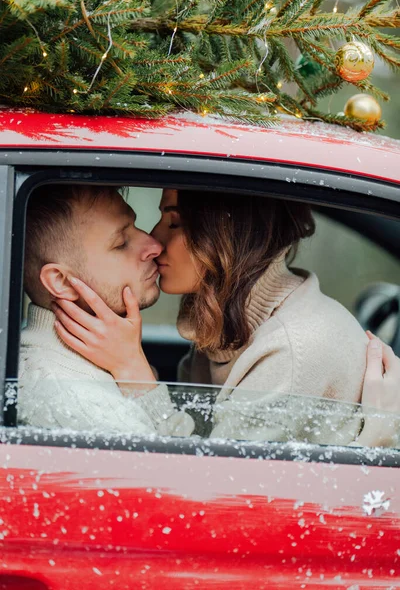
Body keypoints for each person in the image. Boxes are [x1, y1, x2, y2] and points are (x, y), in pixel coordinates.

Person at [54, 188, 376, 446]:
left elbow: (213, 491)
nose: (154, 240)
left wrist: (133, 371)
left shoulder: (291, 351)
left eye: (174, 223)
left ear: (227, 234)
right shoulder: (224, 321)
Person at [19, 184, 194, 436]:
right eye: (121, 243)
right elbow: (188, 473)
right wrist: (137, 375)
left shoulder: (92, 365)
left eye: (135, 226)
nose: (154, 245)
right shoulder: (79, 405)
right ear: (61, 281)